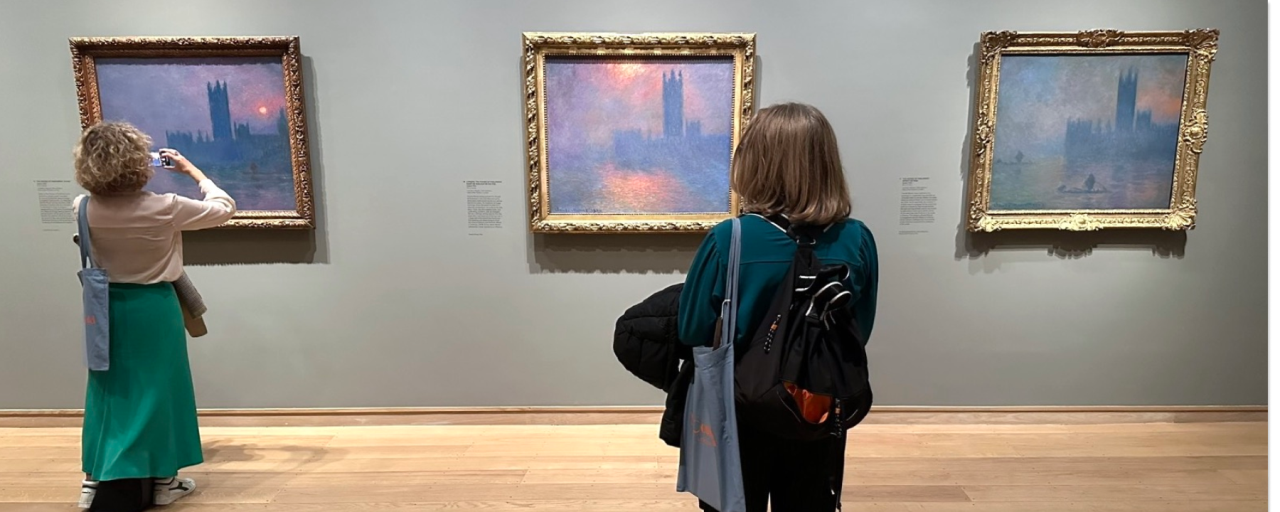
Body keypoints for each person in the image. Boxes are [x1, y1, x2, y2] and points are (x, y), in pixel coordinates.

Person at [678, 103, 878, 512]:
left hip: (739, 411)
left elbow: (692, 329)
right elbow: (860, 330)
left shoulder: (730, 238)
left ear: (756, 163)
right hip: (816, 404)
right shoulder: (857, 239)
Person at [71, 122, 236, 510]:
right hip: (154, 306)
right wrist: (192, 171)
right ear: (137, 162)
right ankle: (164, 480)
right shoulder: (166, 206)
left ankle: (93, 479)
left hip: (105, 305)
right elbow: (224, 208)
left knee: (107, 390)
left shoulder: (82, 207)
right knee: (160, 390)